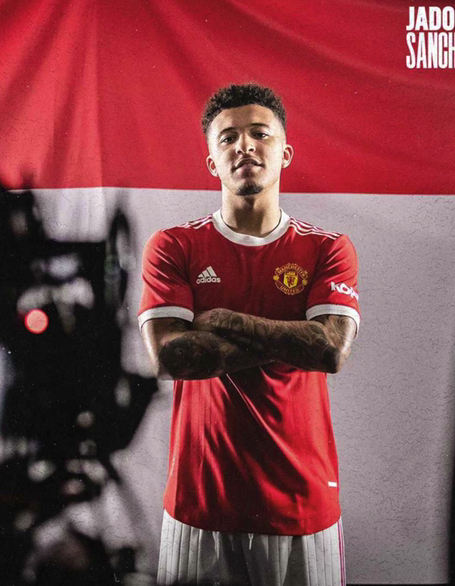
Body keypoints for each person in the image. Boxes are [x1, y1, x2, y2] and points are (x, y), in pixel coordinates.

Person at [138, 83, 360, 586]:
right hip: (199, 503)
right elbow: (172, 359)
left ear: (285, 153)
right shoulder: (173, 246)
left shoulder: (328, 249)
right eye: (228, 138)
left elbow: (329, 350)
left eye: (260, 134)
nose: (245, 146)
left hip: (300, 503)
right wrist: (292, 336)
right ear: (212, 163)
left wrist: (222, 320)